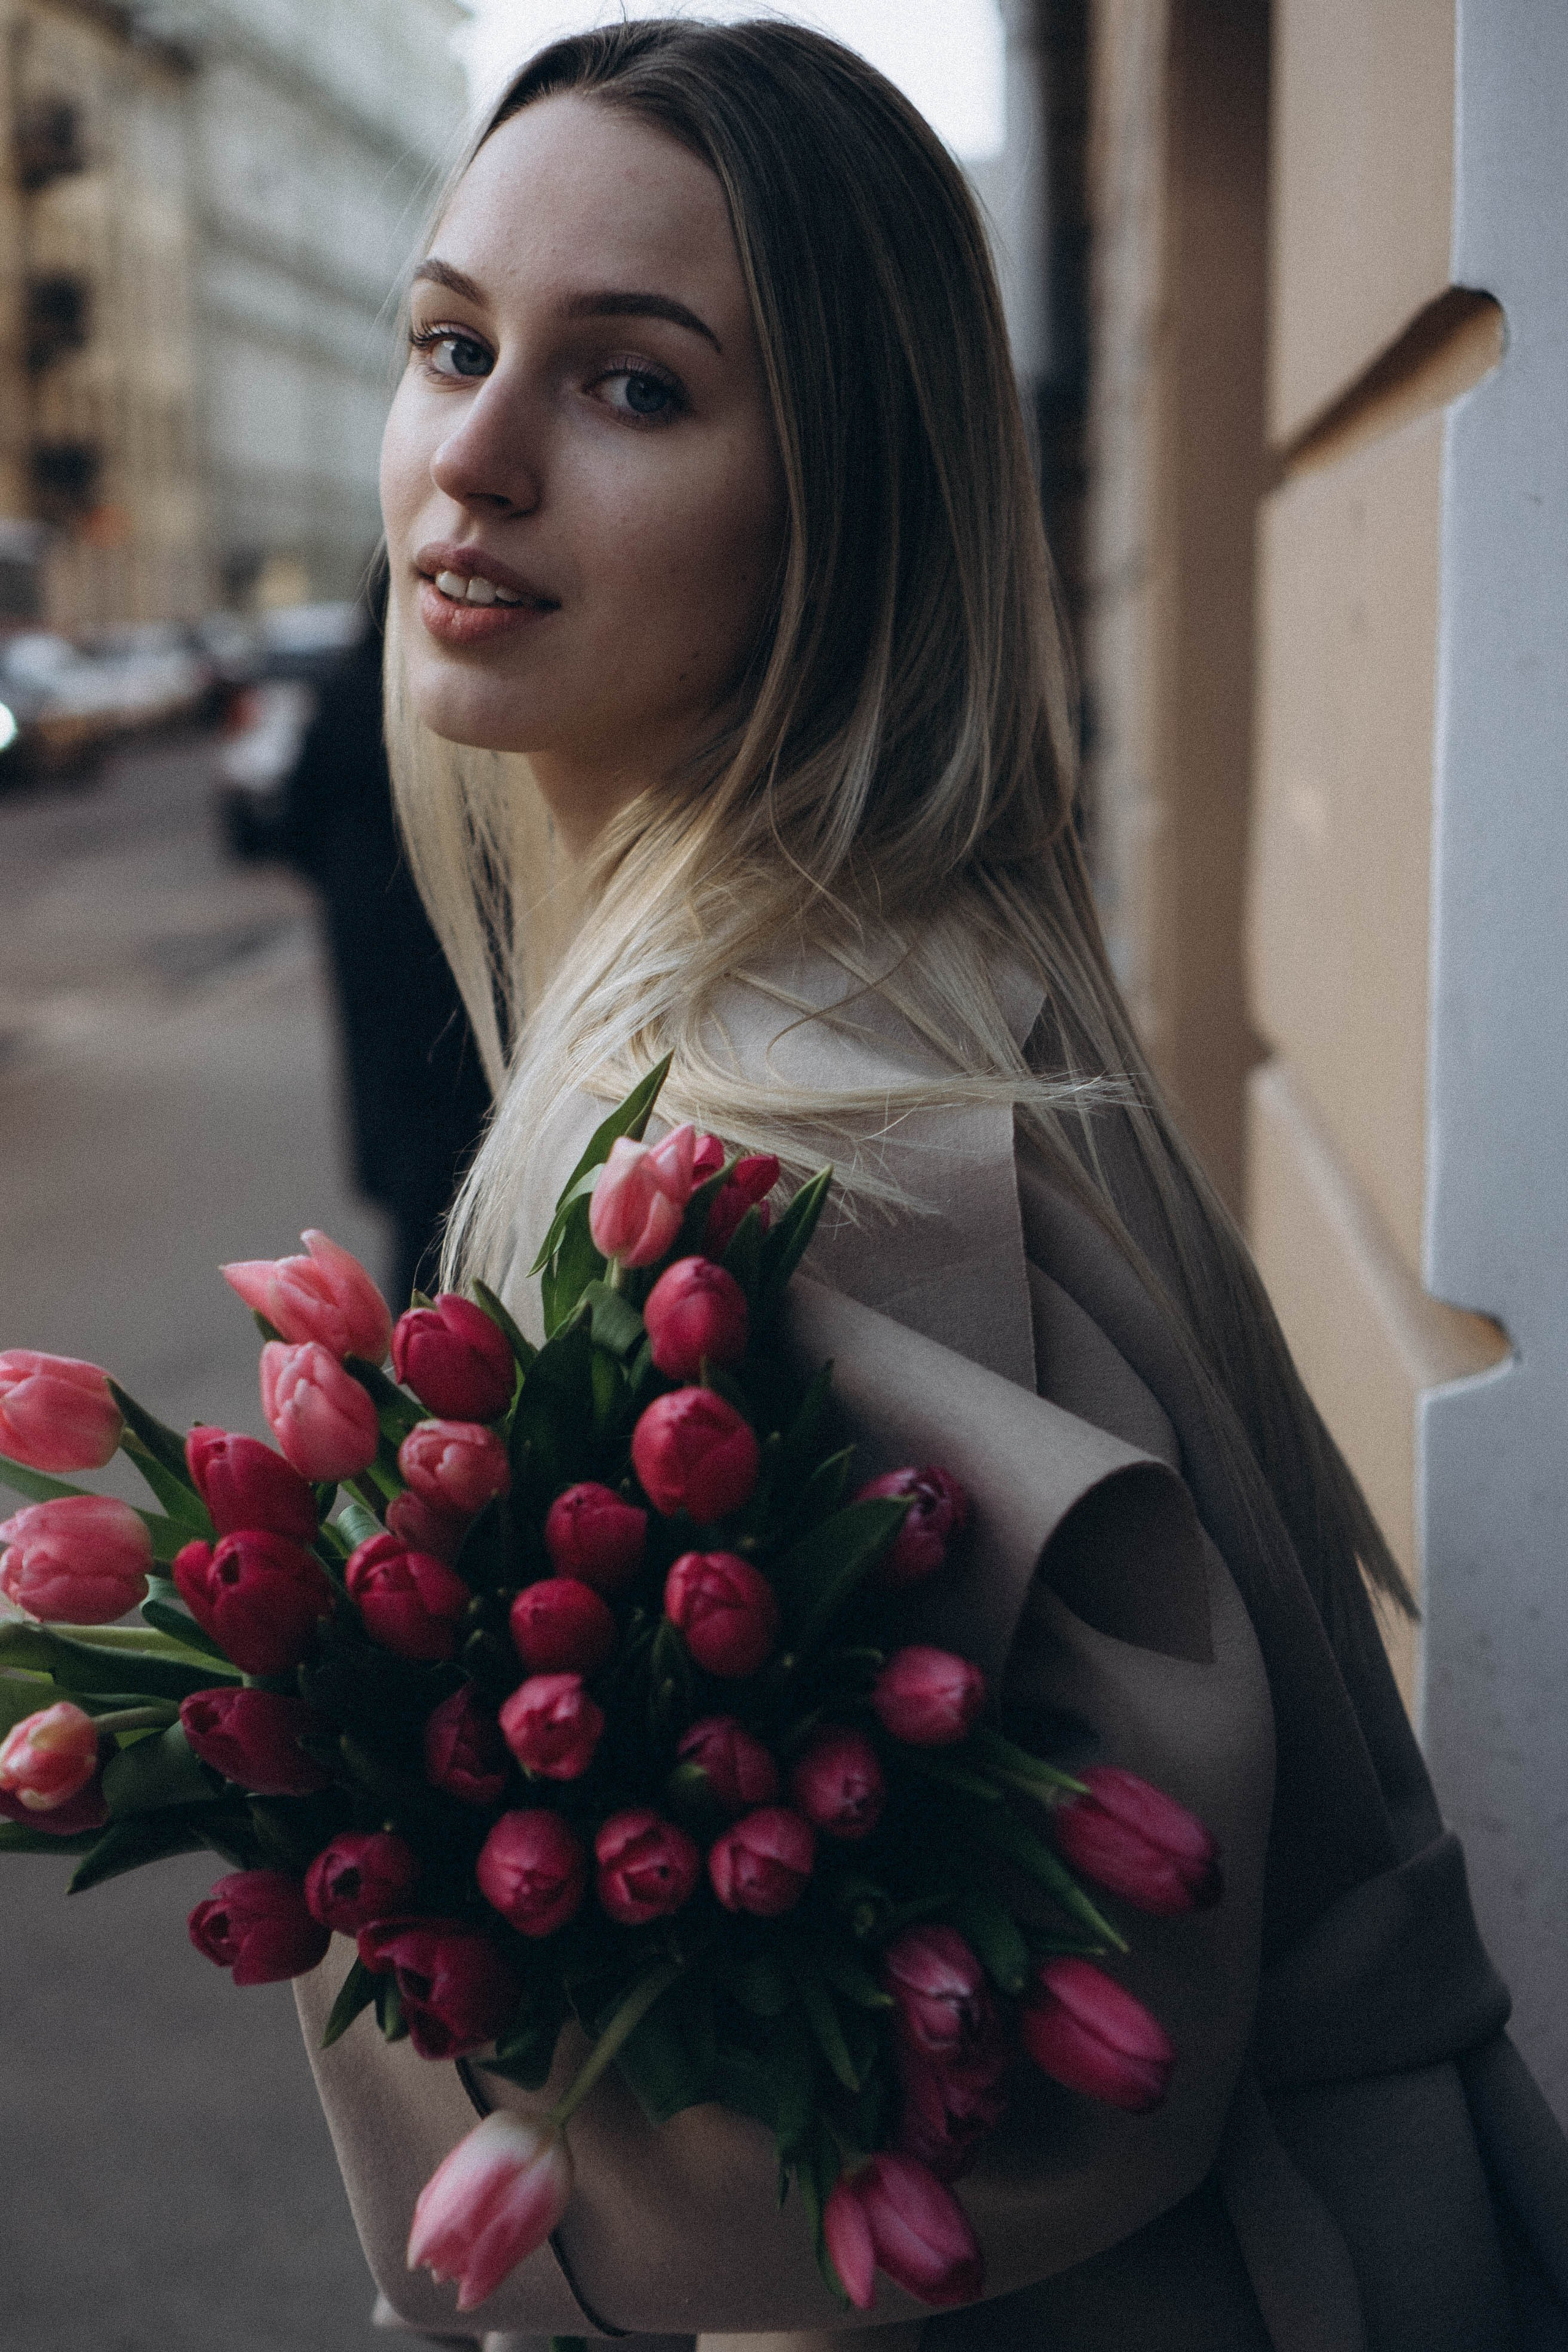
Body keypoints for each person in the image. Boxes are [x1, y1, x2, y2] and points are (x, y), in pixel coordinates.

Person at [294, 21, 1568, 2351]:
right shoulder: (853, 988)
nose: (466, 459)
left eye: (632, 387)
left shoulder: (781, 1132)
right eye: (450, 344)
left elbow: (973, 2067)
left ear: (843, 497)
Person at [276, 571, 490, 1308]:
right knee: (470, 1159)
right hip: (459, 946)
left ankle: (426, 1351)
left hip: (370, 945)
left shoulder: (344, 691)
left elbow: (294, 818)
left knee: (414, 1188)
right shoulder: (463, 701)